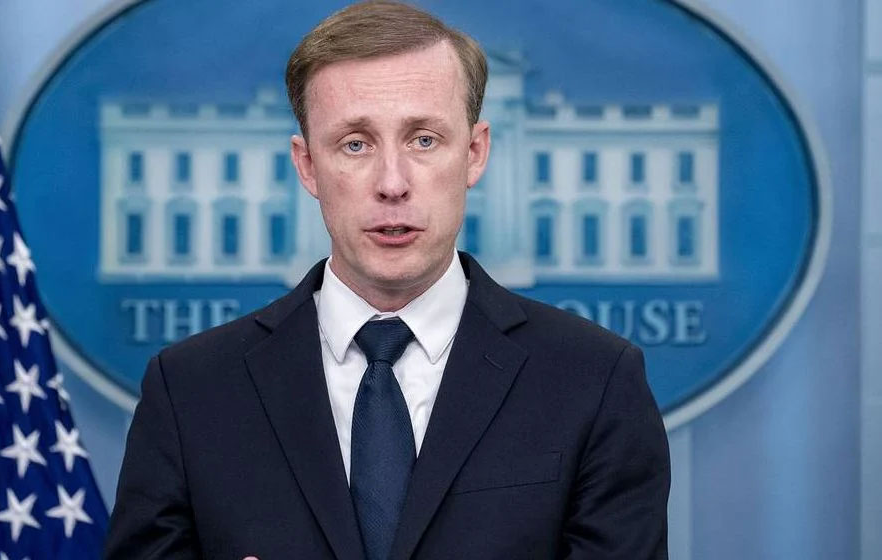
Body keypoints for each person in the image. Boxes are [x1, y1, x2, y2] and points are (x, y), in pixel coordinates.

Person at [104, 1, 670, 558]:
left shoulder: (595, 381)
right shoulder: (189, 391)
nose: (392, 183)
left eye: (423, 139)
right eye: (356, 144)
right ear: (307, 166)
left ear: (474, 153)